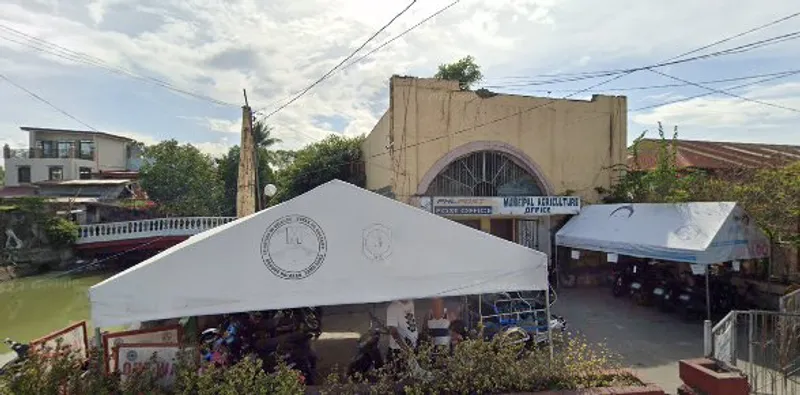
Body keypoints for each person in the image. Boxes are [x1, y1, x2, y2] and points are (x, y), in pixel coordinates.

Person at [386, 299, 418, 368]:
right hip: (398, 351)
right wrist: (406, 349)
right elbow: (393, 332)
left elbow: (411, 323)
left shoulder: (411, 302)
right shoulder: (392, 307)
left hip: (412, 347)